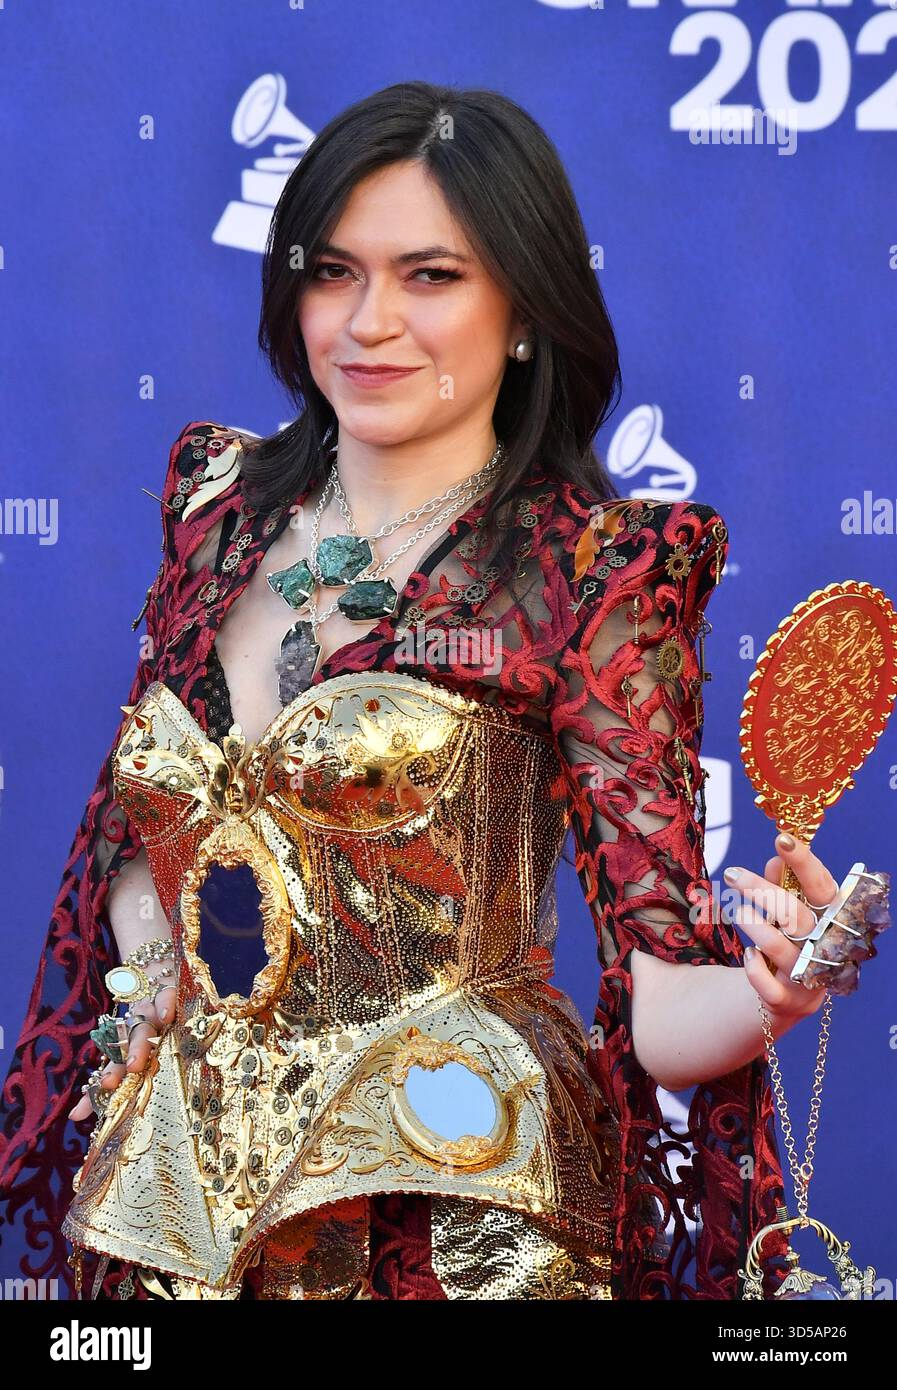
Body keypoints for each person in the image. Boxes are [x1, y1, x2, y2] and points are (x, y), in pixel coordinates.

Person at [0, 81, 839, 1301]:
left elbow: (660, 1008)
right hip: (179, 1201)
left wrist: (776, 989)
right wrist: (166, 969)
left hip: (447, 1211)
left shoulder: (592, 577)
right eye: (334, 271)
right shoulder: (215, 506)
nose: (369, 321)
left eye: (430, 276)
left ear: (523, 312)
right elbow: (144, 845)